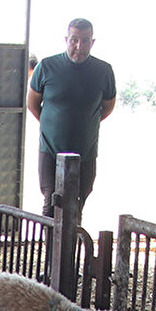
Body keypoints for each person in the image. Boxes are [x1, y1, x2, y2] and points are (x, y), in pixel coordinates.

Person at [27, 18, 116, 220]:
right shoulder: (46, 67)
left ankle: (70, 251)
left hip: (85, 151)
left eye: (85, 41)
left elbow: (108, 106)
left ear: (92, 42)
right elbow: (33, 104)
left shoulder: (104, 71)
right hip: (50, 149)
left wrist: (87, 123)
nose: (79, 46)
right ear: (66, 39)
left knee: (77, 205)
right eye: (74, 40)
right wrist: (51, 125)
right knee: (50, 203)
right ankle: (51, 251)